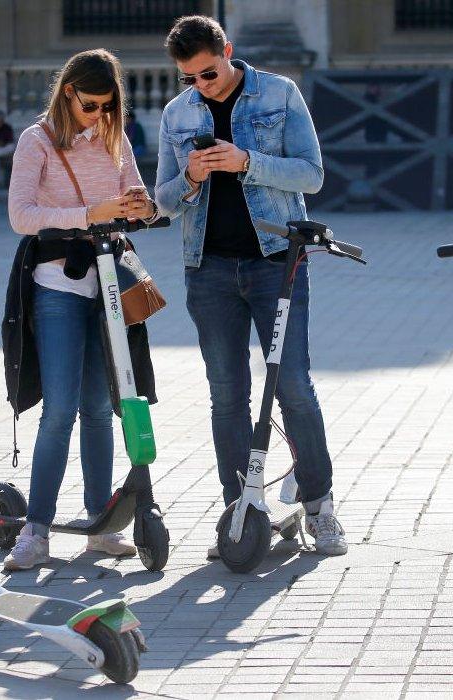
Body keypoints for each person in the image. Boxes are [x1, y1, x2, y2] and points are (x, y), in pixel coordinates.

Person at [154, 16, 347, 558]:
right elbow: (163, 201)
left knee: (293, 388)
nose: (201, 86)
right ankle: (241, 512)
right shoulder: (178, 113)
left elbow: (311, 175)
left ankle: (319, 506)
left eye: (208, 73)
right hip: (207, 268)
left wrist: (247, 163)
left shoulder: (279, 94)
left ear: (228, 52)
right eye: (188, 78)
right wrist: (190, 179)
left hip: (275, 262)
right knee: (227, 395)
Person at [5, 48, 158, 571]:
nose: (99, 116)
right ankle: (36, 528)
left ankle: (98, 523)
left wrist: (142, 206)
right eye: (91, 105)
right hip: (57, 286)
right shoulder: (37, 141)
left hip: (109, 286)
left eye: (107, 106)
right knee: (60, 410)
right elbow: (21, 215)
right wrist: (88, 214)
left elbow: (139, 193)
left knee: (100, 408)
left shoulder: (113, 136)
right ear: (67, 92)